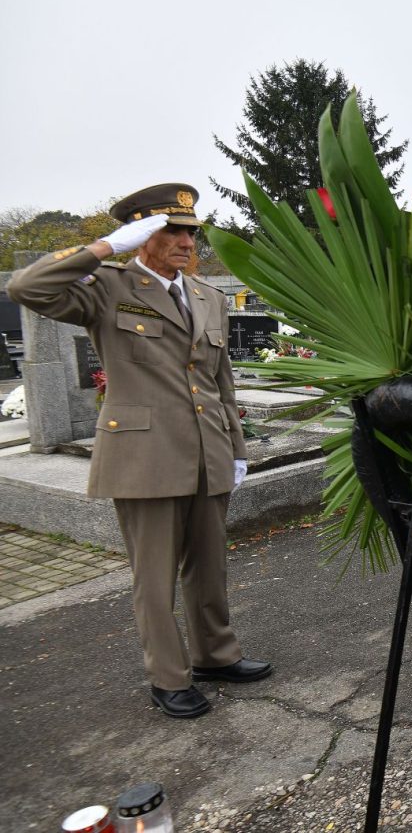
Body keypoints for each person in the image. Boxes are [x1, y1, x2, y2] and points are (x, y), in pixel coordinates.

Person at [7, 184, 271, 719]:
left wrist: (235, 448)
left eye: (190, 232)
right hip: (144, 456)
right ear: (140, 235)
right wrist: (105, 247)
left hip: (208, 452)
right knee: (154, 576)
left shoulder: (207, 296)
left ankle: (215, 655)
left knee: (209, 566)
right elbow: (25, 287)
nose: (186, 242)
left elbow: (221, 382)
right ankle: (168, 677)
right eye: (170, 231)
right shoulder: (107, 287)